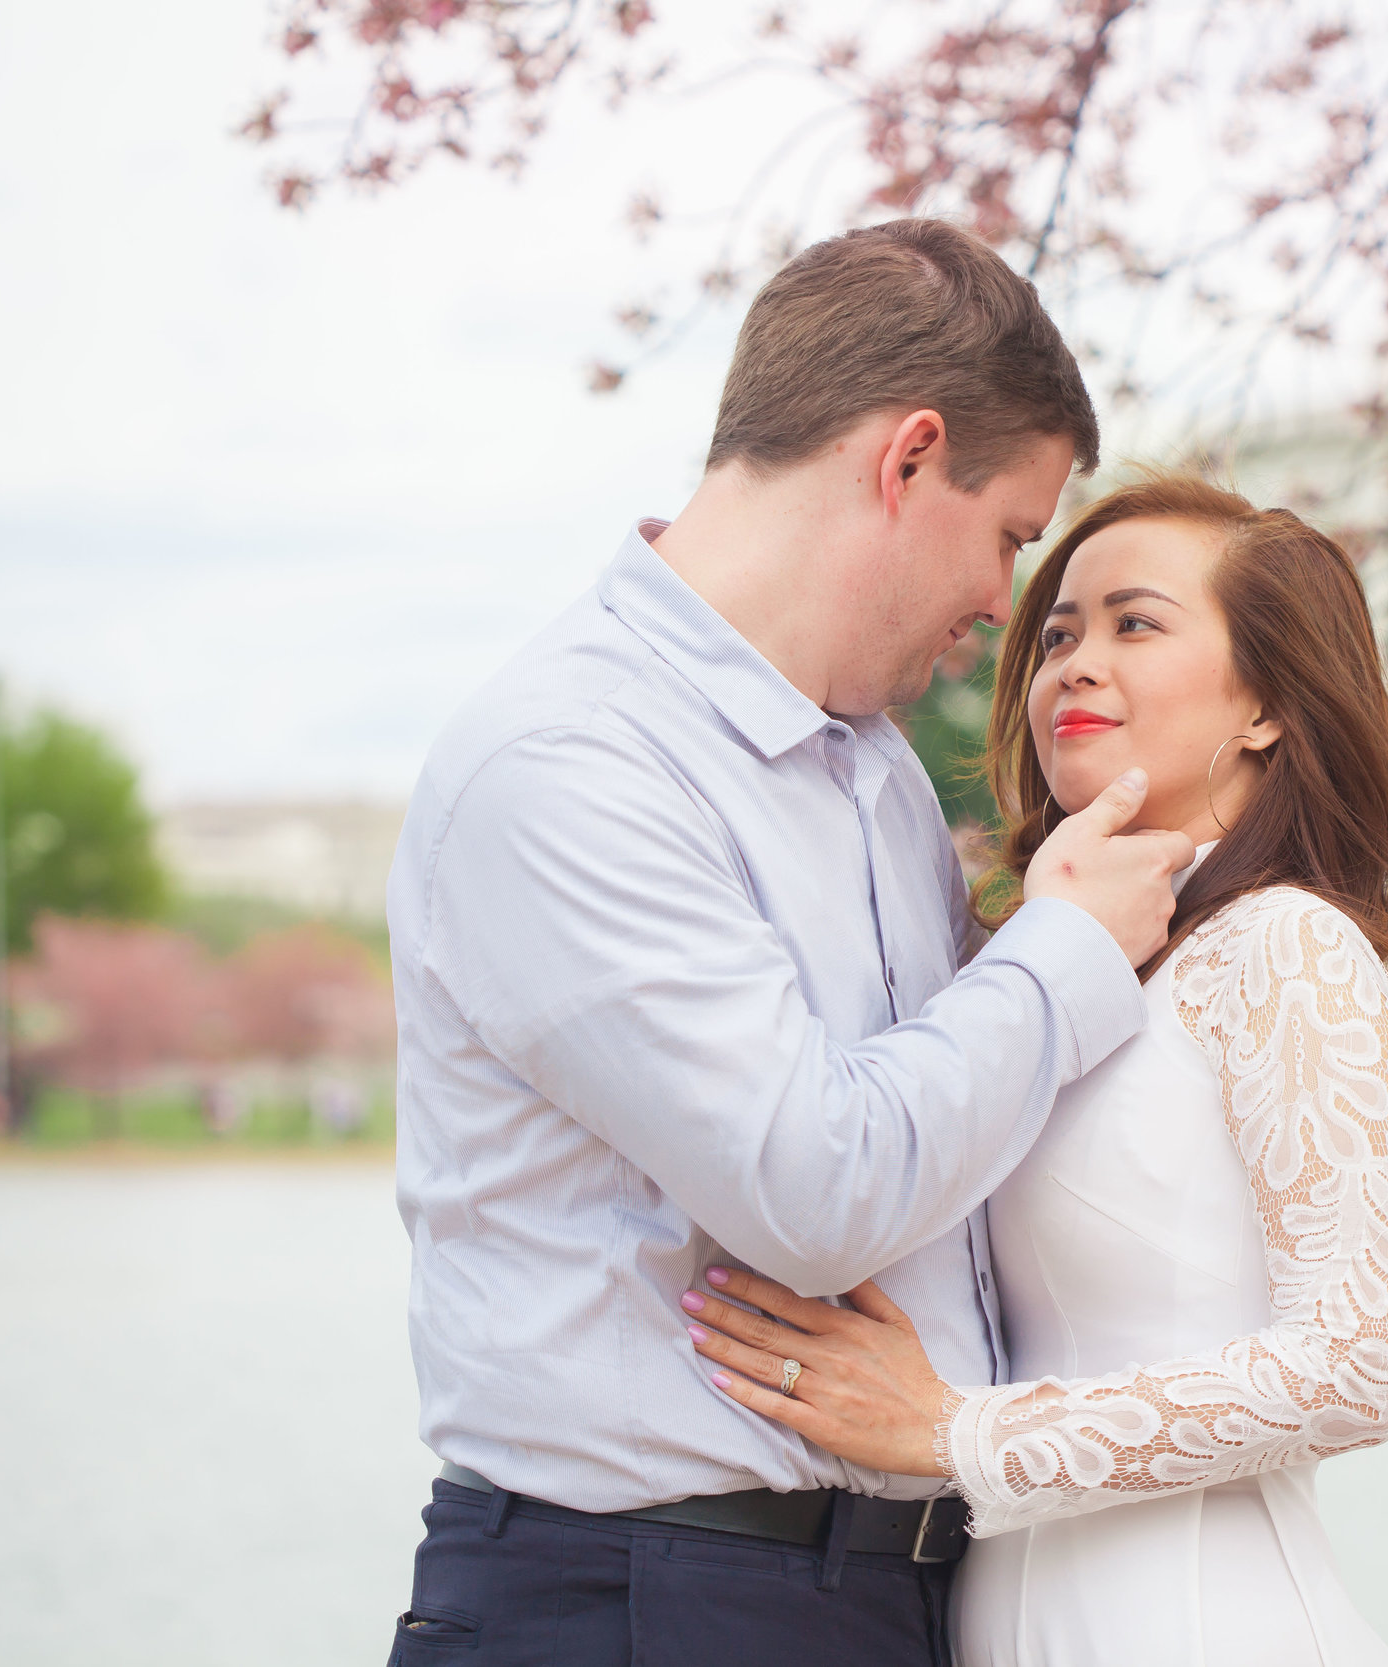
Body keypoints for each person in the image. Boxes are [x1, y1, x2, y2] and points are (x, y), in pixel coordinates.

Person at [382, 220, 1192, 1667]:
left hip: (880, 1592)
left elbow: (955, 1145)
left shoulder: (868, 769)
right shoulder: (570, 764)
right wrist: (1066, 948)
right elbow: (814, 1184)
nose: (1006, 605)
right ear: (906, 457)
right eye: (1011, 532)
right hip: (645, 1597)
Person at [676, 475, 1388, 1665]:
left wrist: (957, 1434)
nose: (1073, 665)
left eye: (1133, 623)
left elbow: (1355, 1367)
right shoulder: (1037, 976)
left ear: (1267, 706)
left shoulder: (1284, 945)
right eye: (1055, 634)